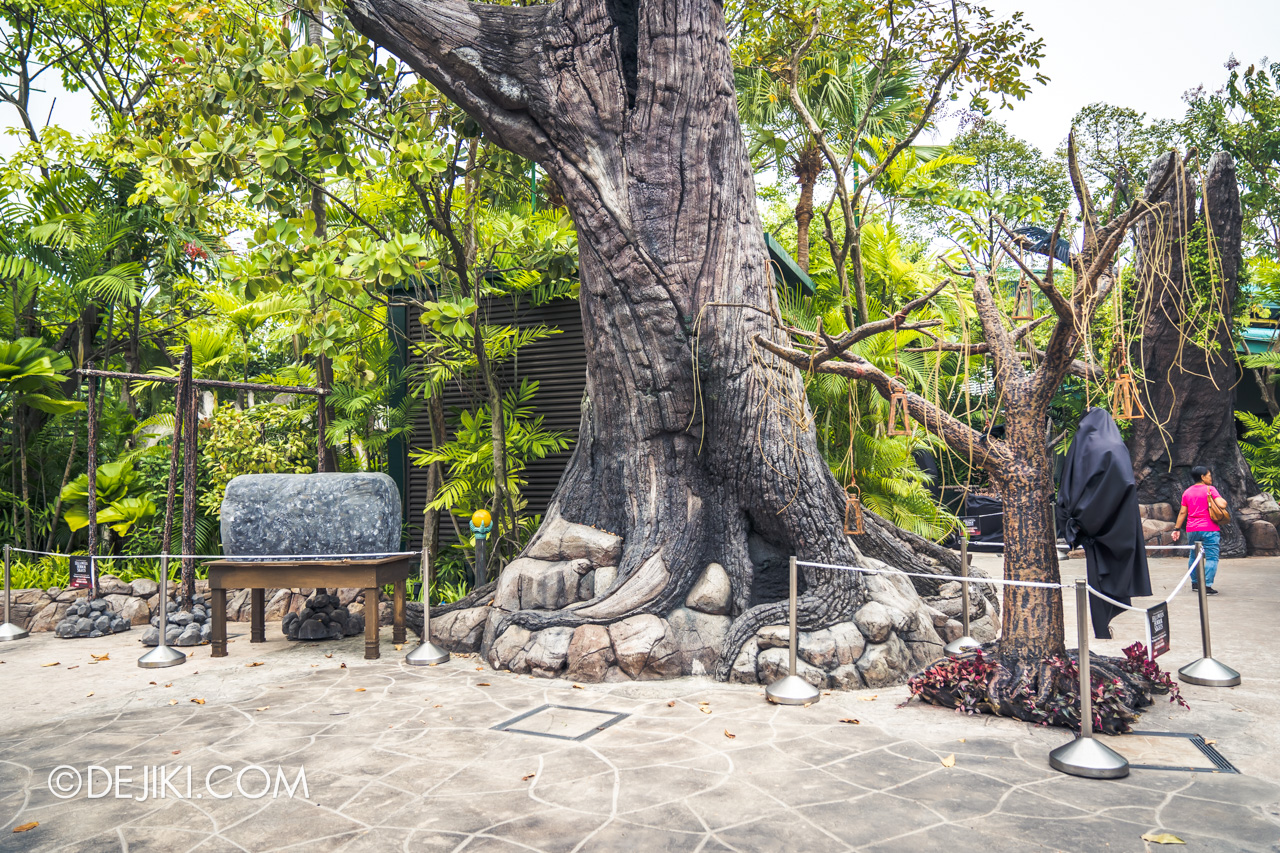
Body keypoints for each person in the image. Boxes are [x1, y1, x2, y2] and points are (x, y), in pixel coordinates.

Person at [1172, 466, 1227, 594]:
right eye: (1209, 475)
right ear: (1202, 477)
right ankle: (1206, 586)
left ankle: (1195, 583)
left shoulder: (1187, 492)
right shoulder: (1210, 489)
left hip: (1192, 529)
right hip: (1210, 528)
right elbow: (1222, 504)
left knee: (1194, 555)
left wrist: (1177, 529)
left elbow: (1182, 512)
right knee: (1212, 557)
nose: (1211, 477)